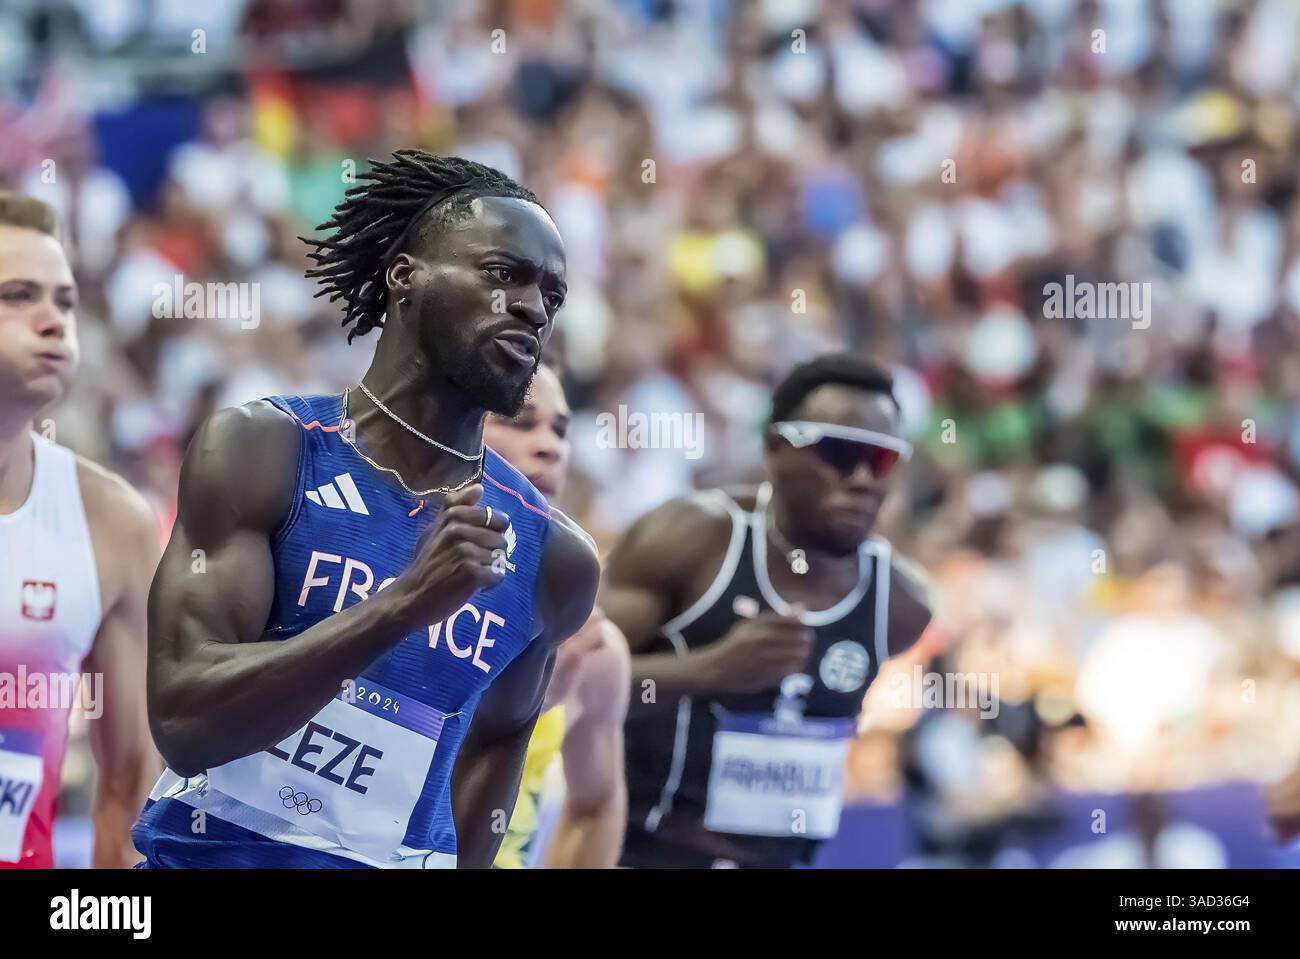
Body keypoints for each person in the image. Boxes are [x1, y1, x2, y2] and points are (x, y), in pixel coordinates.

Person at [131, 152, 599, 868]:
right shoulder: (262, 450)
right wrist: (403, 605)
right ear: (404, 275)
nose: (535, 308)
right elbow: (186, 722)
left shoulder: (553, 557)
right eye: (505, 274)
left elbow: (496, 746)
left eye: (551, 294)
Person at [603, 353, 932, 868]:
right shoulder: (691, 538)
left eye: (884, 459)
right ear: (776, 447)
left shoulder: (903, 605)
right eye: (843, 453)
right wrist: (709, 670)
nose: (864, 479)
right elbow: (561, 683)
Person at [0, 192, 159, 868]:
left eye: (64, 302)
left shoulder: (112, 521)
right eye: (17, 295)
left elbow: (128, 786)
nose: (54, 323)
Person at [483, 364, 629, 868]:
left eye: (561, 430)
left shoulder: (589, 643)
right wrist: (535, 695)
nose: (550, 445)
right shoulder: (378, 577)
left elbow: (596, 806)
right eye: (520, 422)